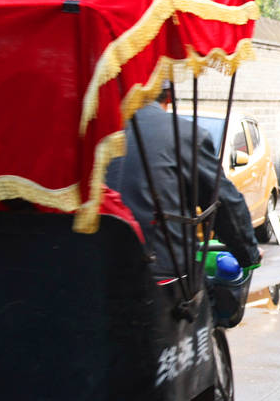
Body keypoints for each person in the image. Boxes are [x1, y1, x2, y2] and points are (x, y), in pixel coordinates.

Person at [106, 83, 261, 277]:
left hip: (100, 269)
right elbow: (225, 201)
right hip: (165, 274)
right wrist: (249, 254)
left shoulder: (98, 133)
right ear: (168, 97)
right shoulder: (185, 135)